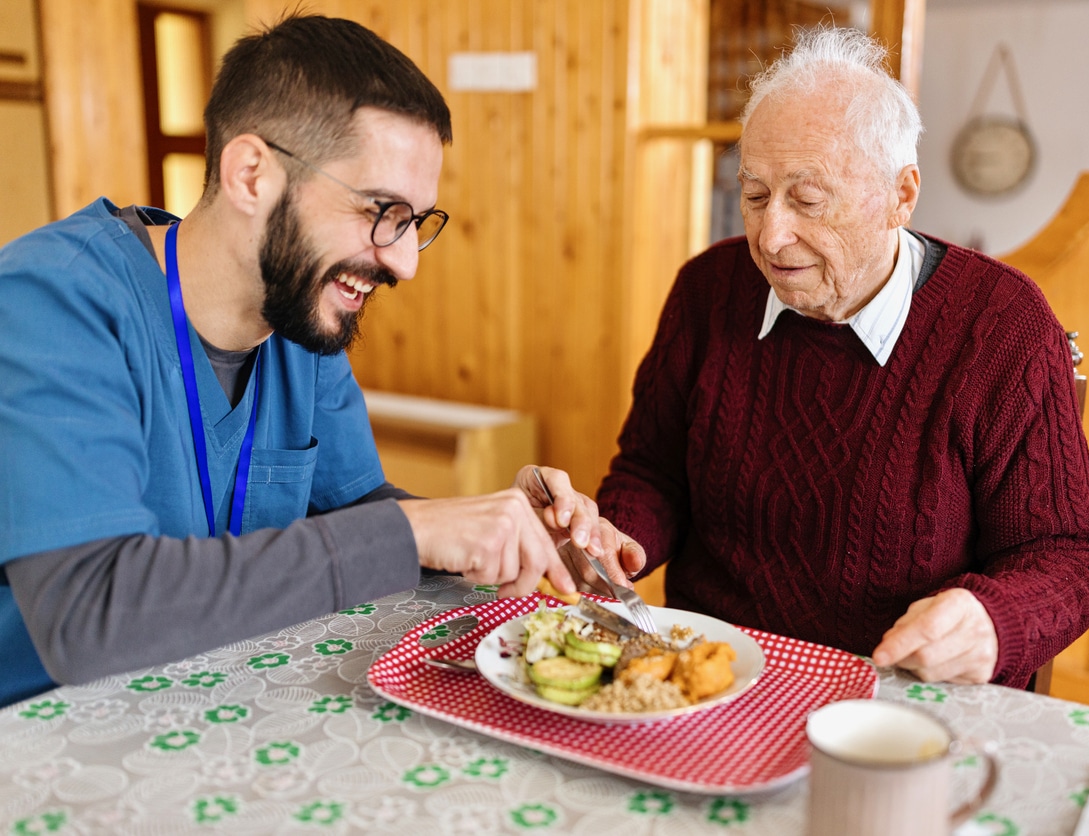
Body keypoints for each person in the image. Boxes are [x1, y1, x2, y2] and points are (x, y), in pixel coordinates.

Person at [0, 15, 623, 708]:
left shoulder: (300, 318)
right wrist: (414, 529)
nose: (405, 262)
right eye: (380, 210)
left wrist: (500, 529)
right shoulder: (53, 299)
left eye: (416, 222)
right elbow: (90, 617)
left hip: (217, 701)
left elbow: (358, 511)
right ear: (250, 174)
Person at [591, 25, 1089, 688]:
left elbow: (1068, 557)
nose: (771, 235)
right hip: (716, 679)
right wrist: (617, 542)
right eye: (753, 195)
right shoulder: (708, 289)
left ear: (900, 195)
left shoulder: (1000, 324)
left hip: (899, 697)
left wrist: (992, 618)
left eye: (807, 201)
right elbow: (651, 472)